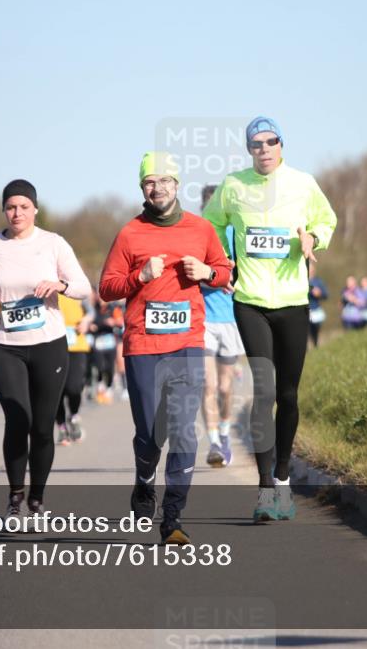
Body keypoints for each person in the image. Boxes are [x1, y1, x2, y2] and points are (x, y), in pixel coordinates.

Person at [203, 116, 337, 523]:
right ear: (248, 150)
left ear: (282, 145)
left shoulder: (303, 183)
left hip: (294, 302)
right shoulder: (233, 185)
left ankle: (282, 479)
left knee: (289, 395)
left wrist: (313, 238)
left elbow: (325, 220)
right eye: (255, 144)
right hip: (250, 301)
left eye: (270, 142)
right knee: (264, 390)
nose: (263, 149)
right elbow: (210, 224)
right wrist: (222, 262)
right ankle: (264, 490)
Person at [100, 151, 231, 545]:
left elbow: (225, 273)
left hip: (188, 342)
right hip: (142, 344)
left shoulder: (201, 229)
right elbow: (107, 288)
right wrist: (139, 276)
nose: (156, 188)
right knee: (149, 433)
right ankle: (144, 481)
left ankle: (172, 517)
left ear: (177, 185)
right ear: (143, 188)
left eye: (163, 181)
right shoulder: (130, 233)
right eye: (148, 182)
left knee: (184, 433)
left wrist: (207, 272)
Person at [0, 179, 90, 520]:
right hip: (4, 345)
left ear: (35, 209)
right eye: (11, 207)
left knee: (41, 426)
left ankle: (37, 498)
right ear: (3, 210)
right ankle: (14, 497)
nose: (17, 213)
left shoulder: (53, 244)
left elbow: (84, 287)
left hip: (48, 344)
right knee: (17, 419)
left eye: (24, 206)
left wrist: (61, 285)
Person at [198, 184, 244, 469]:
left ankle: (225, 435)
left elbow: (249, 269)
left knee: (226, 388)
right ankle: (213, 442)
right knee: (208, 385)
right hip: (204, 319)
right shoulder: (196, 235)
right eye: (209, 206)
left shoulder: (236, 233)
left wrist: (235, 277)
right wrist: (211, 276)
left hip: (232, 320)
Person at [57, 292, 93, 444]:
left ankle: (74, 415)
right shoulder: (43, 285)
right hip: (52, 345)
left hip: (76, 345)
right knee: (56, 390)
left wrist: (86, 320)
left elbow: (90, 311)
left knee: (74, 387)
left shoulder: (75, 287)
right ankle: (62, 428)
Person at [307, 261, 328, 347]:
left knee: (315, 331)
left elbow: (326, 295)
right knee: (305, 333)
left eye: (311, 268)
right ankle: (306, 350)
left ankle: (315, 345)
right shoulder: (301, 280)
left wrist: (319, 293)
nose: (310, 270)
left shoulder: (318, 281)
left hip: (316, 310)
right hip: (304, 310)